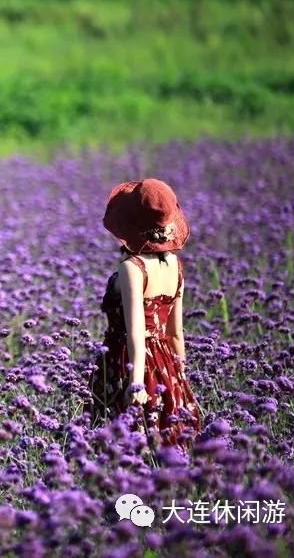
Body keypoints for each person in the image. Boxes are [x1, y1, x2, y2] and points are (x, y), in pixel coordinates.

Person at [85, 178, 204, 450]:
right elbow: (175, 332)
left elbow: (136, 331)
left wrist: (136, 383)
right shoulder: (175, 265)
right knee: (168, 437)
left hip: (125, 360)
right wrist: (180, 376)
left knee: (122, 442)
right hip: (166, 364)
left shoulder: (133, 268)